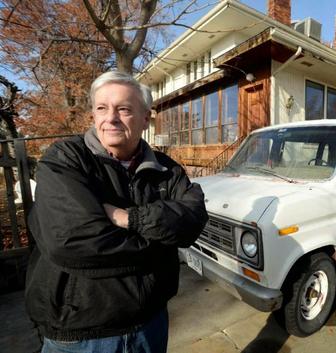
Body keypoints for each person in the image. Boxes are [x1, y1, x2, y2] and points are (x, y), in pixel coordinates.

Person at [25, 71, 208, 353]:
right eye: (101, 108)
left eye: (123, 109)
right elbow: (73, 242)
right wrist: (163, 241)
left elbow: (193, 219)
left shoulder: (167, 169)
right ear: (93, 115)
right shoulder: (65, 160)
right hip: (81, 334)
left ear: (146, 118)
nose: (110, 118)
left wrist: (128, 218)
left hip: (150, 324)